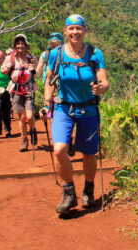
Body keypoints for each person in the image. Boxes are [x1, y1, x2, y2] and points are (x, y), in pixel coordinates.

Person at [41, 14, 109, 214]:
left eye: (79, 28)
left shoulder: (95, 54)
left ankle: (89, 188)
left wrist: (100, 88)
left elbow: (104, 82)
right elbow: (49, 81)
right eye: (71, 29)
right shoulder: (57, 54)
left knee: (89, 153)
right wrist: (47, 103)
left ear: (85, 31)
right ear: (65, 32)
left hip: (88, 109)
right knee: (59, 149)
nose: (75, 32)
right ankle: (69, 192)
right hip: (63, 108)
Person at [1, 34, 38, 151]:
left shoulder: (31, 58)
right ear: (15, 45)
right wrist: (9, 67)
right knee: (21, 117)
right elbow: (3, 71)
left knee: (30, 116)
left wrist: (34, 69)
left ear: (26, 45)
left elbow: (38, 73)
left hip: (29, 89)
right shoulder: (10, 58)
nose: (20, 46)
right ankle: (24, 140)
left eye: (22, 43)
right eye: (18, 44)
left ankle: (32, 130)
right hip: (16, 90)